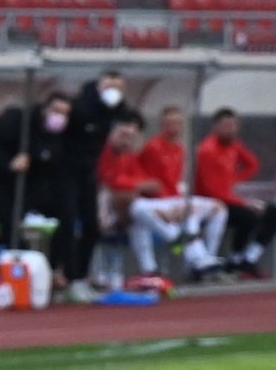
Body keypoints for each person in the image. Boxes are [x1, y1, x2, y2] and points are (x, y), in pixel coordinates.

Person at [96, 113, 227, 281]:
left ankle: (200, 258)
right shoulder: (106, 153)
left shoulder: (131, 155)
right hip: (112, 211)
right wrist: (140, 188)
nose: (127, 140)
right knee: (138, 210)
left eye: (132, 136)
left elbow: (147, 182)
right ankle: (184, 248)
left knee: (215, 208)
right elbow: (111, 182)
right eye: (123, 135)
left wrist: (161, 201)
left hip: (146, 203)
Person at [0, 90, 74, 279]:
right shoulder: (16, 121)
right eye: (56, 110)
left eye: (65, 113)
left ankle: (57, 269)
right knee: (11, 224)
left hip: (19, 184)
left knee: (66, 213)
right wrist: (9, 163)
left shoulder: (56, 139)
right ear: (45, 108)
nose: (60, 117)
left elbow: (49, 171)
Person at [63, 69, 131, 301]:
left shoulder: (114, 113)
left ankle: (80, 277)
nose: (114, 93)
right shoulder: (80, 108)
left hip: (88, 174)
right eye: (110, 87)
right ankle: (69, 277)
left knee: (92, 225)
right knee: (69, 222)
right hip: (66, 172)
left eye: (118, 88)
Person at [195, 107, 276, 274]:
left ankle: (250, 257)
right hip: (214, 203)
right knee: (248, 216)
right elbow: (212, 191)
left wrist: (234, 178)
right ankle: (235, 258)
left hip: (229, 199)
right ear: (215, 127)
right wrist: (244, 203)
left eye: (233, 125)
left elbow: (252, 163)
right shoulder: (208, 150)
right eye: (226, 125)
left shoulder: (233, 146)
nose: (231, 130)